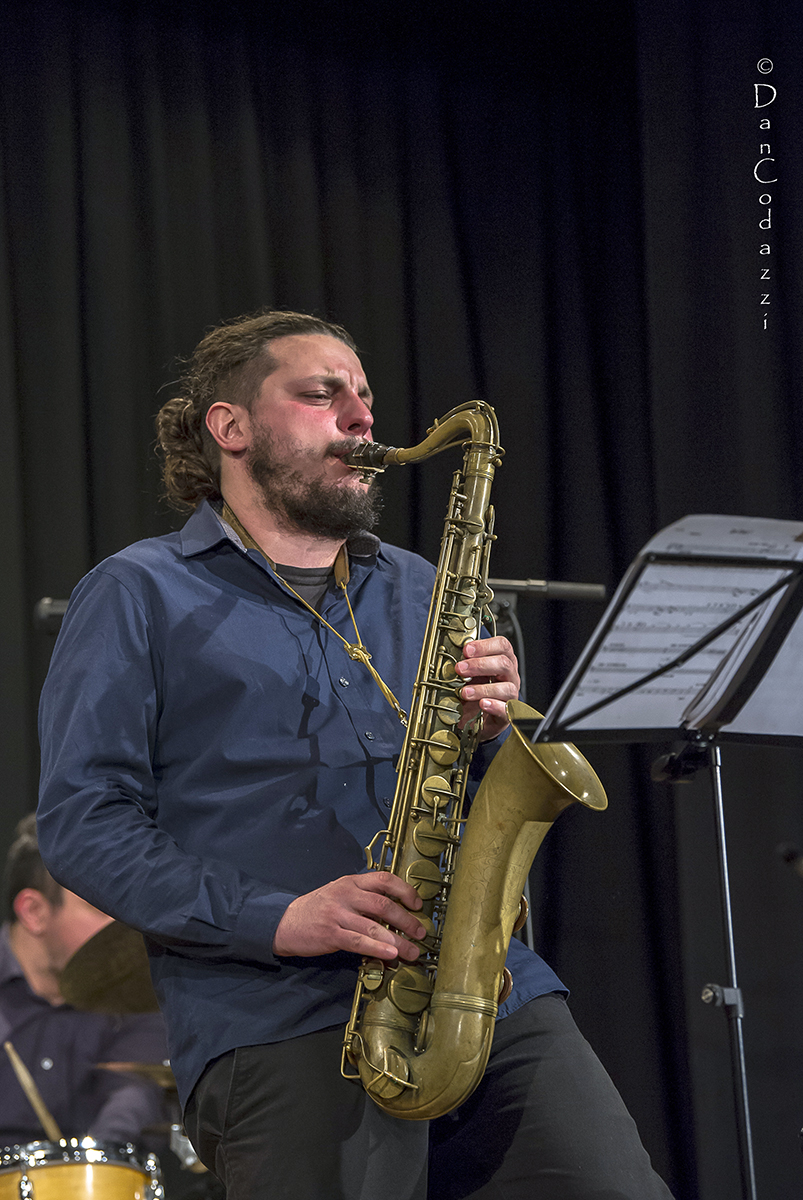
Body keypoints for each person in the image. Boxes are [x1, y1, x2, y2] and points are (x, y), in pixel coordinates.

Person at [37, 309, 674, 1199]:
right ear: (230, 427)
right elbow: (82, 822)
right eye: (320, 394)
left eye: (365, 396)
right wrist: (277, 916)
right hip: (277, 1014)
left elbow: (471, 795)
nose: (361, 417)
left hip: (488, 994)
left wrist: (490, 736)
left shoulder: (423, 586)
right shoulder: (138, 591)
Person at [0, 814, 167, 1149]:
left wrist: (89, 1169)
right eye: (100, 907)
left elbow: (133, 1093)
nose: (121, 925)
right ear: (34, 912)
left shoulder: (135, 994)